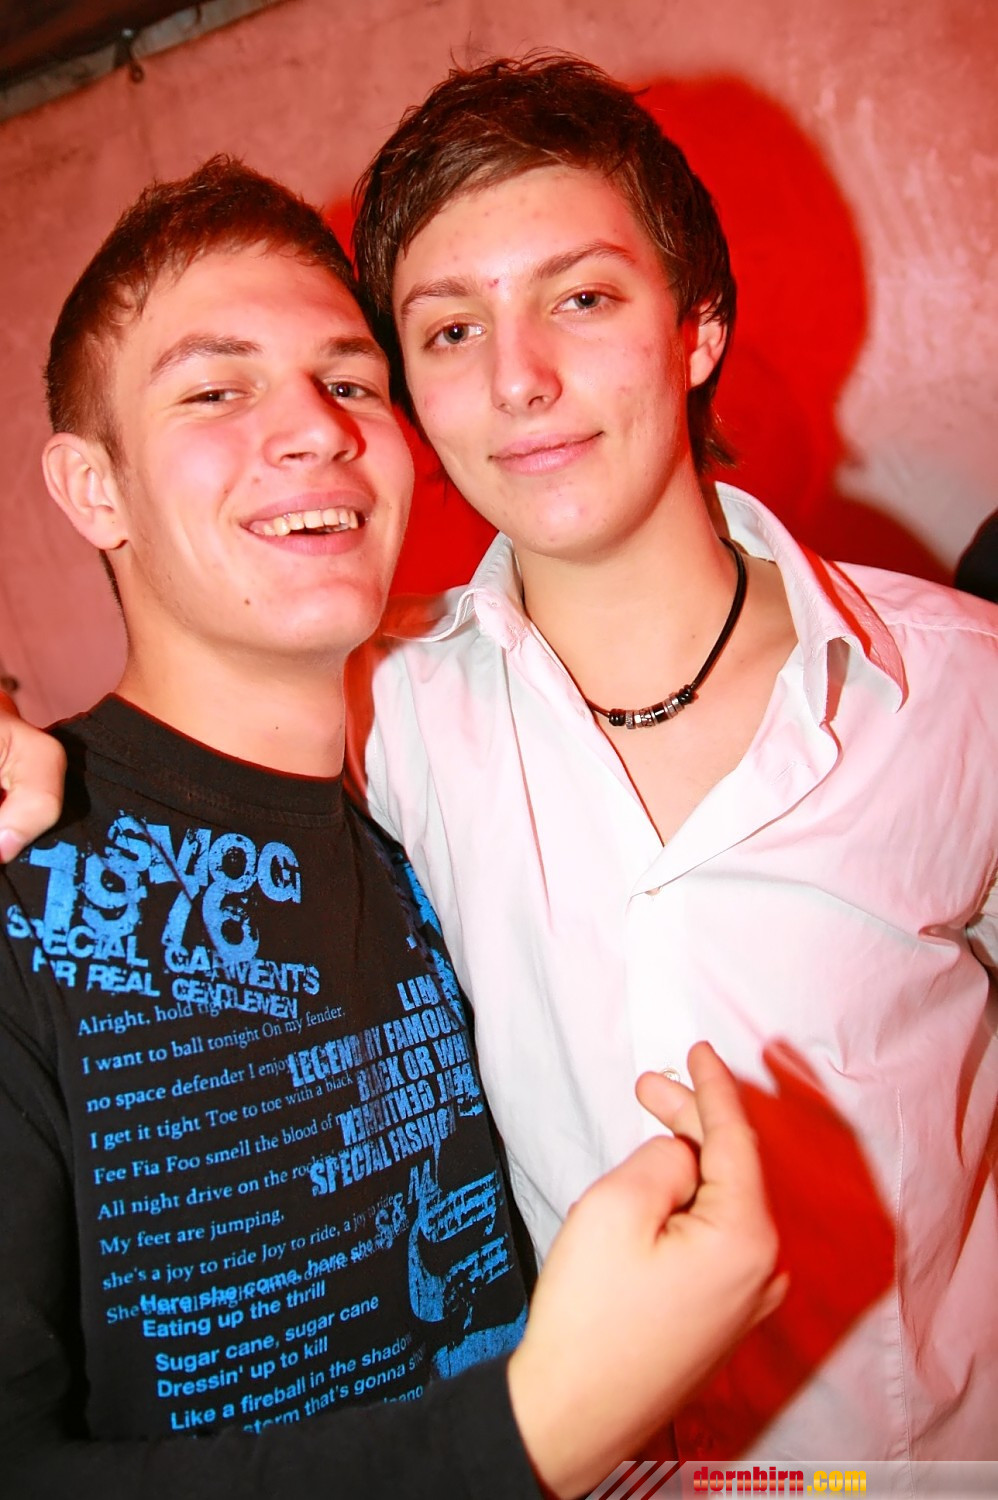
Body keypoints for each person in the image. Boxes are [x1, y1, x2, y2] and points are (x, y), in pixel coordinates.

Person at [3, 51, 996, 1463]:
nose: (521, 380)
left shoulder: (960, 692)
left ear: (697, 326)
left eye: (581, 299)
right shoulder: (380, 717)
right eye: (451, 331)